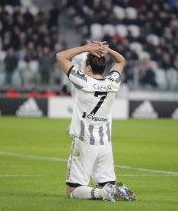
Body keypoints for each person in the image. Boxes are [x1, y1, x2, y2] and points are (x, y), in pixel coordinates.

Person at [56, 41, 136, 202]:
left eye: (85, 65)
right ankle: (112, 190)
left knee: (72, 190)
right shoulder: (112, 83)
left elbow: (60, 56)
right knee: (105, 183)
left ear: (87, 68)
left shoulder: (83, 82)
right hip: (105, 143)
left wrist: (87, 48)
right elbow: (121, 61)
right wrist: (108, 50)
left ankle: (104, 194)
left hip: (84, 141)